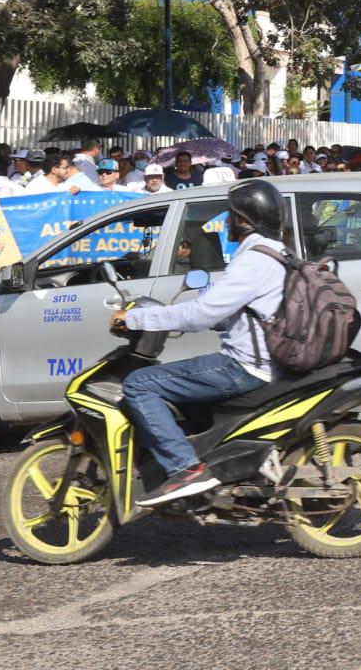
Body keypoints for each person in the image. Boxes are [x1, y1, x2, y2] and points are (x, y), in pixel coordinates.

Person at [114, 179, 287, 506]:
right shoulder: (278, 253)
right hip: (272, 361)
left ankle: (186, 469)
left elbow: (202, 314)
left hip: (244, 367)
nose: (226, 222)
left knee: (139, 384)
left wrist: (135, 318)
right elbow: (237, 311)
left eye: (231, 215)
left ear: (243, 220)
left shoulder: (253, 260)